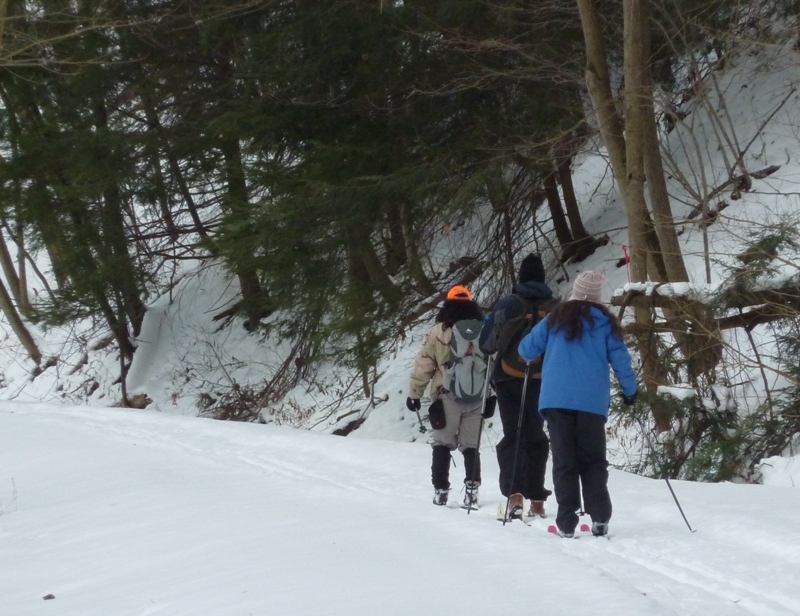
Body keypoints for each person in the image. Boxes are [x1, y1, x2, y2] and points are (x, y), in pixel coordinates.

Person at [518, 270, 637, 538]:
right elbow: (620, 359)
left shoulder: (554, 319)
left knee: (564, 460)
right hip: (591, 402)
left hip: (556, 400)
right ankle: (600, 517)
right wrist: (630, 391)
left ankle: (567, 522)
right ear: (597, 296)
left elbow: (526, 350)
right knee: (593, 460)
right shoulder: (606, 323)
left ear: (574, 291)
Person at [479, 254, 554, 519]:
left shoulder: (509, 304)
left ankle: (515, 496)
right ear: (543, 278)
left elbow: (486, 344)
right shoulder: (555, 306)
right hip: (542, 380)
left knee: (514, 433)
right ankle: (537, 500)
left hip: (509, 378)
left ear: (520, 277)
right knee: (536, 433)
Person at [407, 285, 486, 508]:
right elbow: (491, 363)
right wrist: (491, 395)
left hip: (446, 395)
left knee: (442, 442)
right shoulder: (483, 330)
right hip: (477, 395)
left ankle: (441, 491)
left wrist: (415, 393)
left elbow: (425, 364)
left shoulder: (438, 331)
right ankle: (471, 492)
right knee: (471, 445)